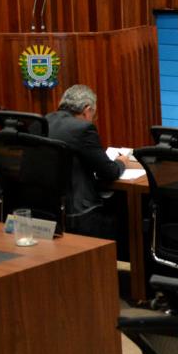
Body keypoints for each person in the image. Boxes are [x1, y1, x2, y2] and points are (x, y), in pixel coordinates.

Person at [45, 84, 128, 239]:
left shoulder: (45, 121)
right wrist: (121, 162)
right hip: (79, 215)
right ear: (87, 109)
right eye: (93, 115)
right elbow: (109, 172)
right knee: (127, 219)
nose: (92, 119)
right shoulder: (83, 129)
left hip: (49, 210)